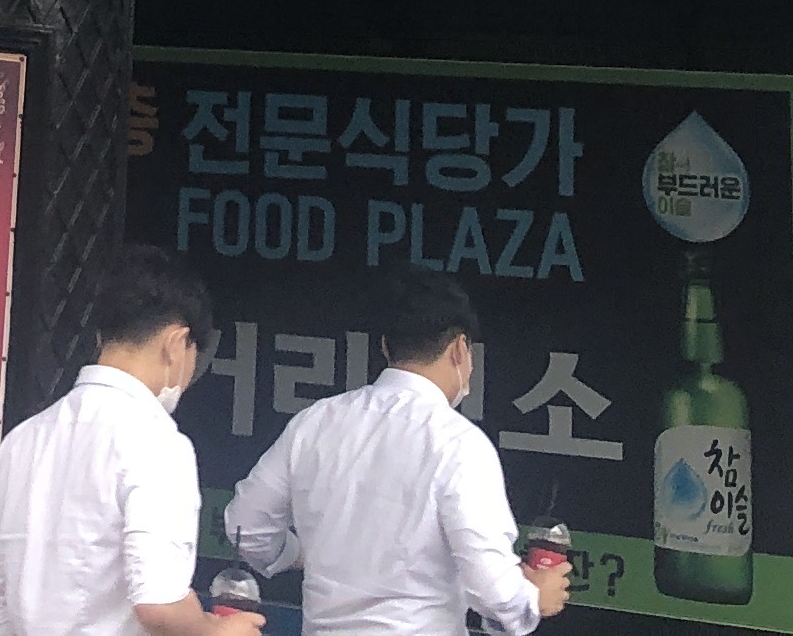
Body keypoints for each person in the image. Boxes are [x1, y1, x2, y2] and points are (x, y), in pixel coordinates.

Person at [225, 272, 566, 636]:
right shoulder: (459, 443)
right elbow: (492, 585)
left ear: (386, 348)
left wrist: (303, 555)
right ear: (459, 350)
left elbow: (247, 525)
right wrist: (533, 599)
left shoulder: (315, 422)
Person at [0, 249, 269, 636]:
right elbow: (159, 603)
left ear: (103, 336)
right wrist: (217, 631)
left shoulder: (22, 440)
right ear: (176, 343)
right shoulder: (157, 442)